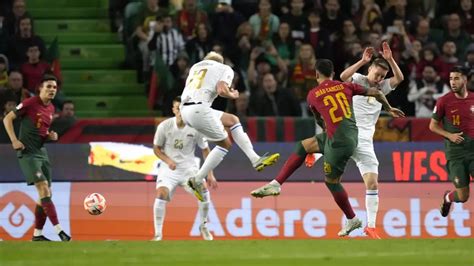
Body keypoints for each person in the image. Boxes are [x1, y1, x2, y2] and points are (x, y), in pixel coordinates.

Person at [253, 42, 405, 239]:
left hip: (363, 139)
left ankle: (371, 226)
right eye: (377, 74)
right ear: (370, 70)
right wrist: (362, 61)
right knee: (310, 147)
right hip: (347, 131)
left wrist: (390, 59)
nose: (379, 79)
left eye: (382, 77)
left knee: (372, 183)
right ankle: (312, 155)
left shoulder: (382, 87)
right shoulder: (356, 80)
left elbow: (399, 78)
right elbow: (342, 77)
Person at [180, 51, 280, 201]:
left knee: (233, 120)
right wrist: (232, 95)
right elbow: (221, 90)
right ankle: (197, 179)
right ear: (221, 62)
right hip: (199, 109)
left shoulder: (195, 67)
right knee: (225, 144)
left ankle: (255, 159)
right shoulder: (224, 68)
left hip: (185, 110)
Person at [2, 74, 71, 241]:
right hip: (28, 154)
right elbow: (7, 119)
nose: (52, 90)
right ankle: (59, 231)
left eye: (54, 87)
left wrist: (50, 136)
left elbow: (41, 132)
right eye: (48, 86)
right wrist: (14, 140)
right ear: (40, 88)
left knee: (46, 194)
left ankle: (37, 235)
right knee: (43, 188)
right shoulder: (30, 103)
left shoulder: (51, 109)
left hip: (42, 153)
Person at [152, 96, 217, 241]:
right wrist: (168, 160)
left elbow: (206, 150)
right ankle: (158, 234)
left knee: (203, 190)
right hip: (169, 169)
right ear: (173, 110)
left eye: (183, 108)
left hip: (189, 169)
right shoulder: (164, 126)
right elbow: (156, 149)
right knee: (161, 194)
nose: (181, 111)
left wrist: (210, 174)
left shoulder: (196, 128)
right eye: (178, 108)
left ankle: (204, 226)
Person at [429, 66, 474, 217]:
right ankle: (448, 198)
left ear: (465, 80)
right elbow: (432, 126)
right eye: (450, 79)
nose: (452, 82)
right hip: (456, 154)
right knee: (463, 196)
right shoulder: (444, 101)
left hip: (473, 151)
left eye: (456, 78)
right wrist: (450, 135)